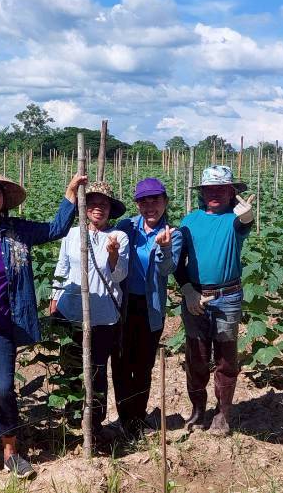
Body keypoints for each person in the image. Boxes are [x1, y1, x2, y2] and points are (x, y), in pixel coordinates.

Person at [0, 168, 86, 478]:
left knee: (3, 387)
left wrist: (70, 193)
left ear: (3, 199)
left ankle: (10, 451)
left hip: (1, 327)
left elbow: (55, 230)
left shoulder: (17, 232)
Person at [176, 165, 256, 435]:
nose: (215, 194)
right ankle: (198, 411)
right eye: (210, 189)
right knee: (196, 357)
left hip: (228, 296)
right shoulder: (189, 222)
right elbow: (177, 261)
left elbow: (245, 223)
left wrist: (248, 216)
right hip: (196, 296)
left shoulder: (234, 220)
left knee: (225, 358)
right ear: (202, 192)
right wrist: (187, 289)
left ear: (231, 192)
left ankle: (222, 415)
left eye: (221, 189)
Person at [49, 181, 130, 446]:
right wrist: (54, 296)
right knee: (71, 367)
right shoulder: (71, 235)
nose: (98, 208)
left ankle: (94, 425)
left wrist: (114, 255)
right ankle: (72, 423)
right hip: (70, 312)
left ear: (110, 210)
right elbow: (61, 267)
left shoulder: (118, 237)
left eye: (104, 204)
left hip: (103, 315)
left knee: (96, 371)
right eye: (93, 203)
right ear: (84, 207)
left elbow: (120, 275)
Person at [111, 178, 182, 437]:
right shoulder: (126, 226)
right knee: (119, 364)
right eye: (143, 201)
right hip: (122, 305)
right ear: (137, 204)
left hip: (150, 308)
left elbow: (167, 270)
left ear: (165, 202)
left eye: (155, 200)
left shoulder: (173, 234)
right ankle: (124, 418)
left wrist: (163, 248)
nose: (150, 206)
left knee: (142, 366)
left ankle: (137, 419)